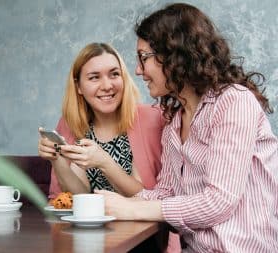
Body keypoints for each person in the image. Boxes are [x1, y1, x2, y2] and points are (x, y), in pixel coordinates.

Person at [96, 3, 278, 253]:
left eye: (143, 58)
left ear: (175, 54)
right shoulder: (174, 125)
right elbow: (166, 194)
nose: (138, 70)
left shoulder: (234, 102)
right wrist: (110, 203)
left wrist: (132, 208)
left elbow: (219, 202)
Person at [38, 42, 180, 252]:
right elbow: (78, 196)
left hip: (146, 241)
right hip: (89, 239)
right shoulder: (70, 125)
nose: (107, 85)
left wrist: (104, 162)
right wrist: (57, 160)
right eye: (94, 77)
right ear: (78, 86)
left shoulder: (152, 118)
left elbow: (150, 198)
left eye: (114, 74)